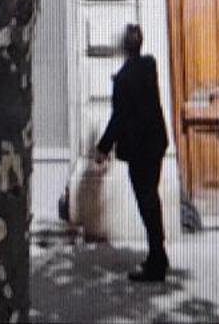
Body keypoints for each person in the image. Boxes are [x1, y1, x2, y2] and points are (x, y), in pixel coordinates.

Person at [94, 22, 170, 282]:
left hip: (139, 149)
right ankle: (159, 254)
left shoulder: (124, 79)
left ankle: (157, 261)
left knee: (146, 202)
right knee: (152, 199)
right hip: (156, 144)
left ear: (123, 48)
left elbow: (118, 118)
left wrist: (102, 148)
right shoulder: (150, 67)